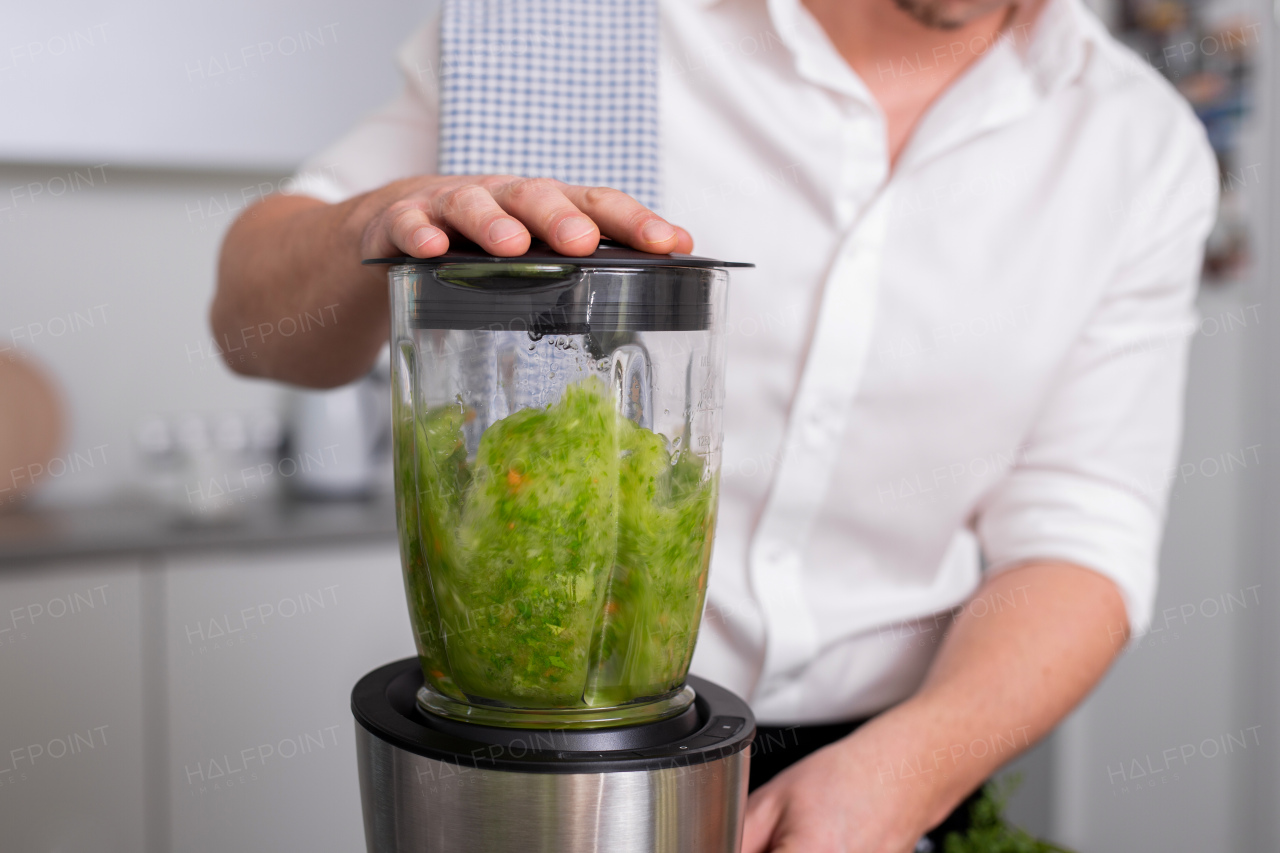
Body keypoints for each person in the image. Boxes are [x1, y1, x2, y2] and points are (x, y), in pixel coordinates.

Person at [212, 0, 1217, 848]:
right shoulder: (568, 29)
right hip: (543, 753)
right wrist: (374, 226)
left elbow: (1079, 530)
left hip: (889, 765)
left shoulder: (1135, 144)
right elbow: (251, 324)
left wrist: (907, 771)